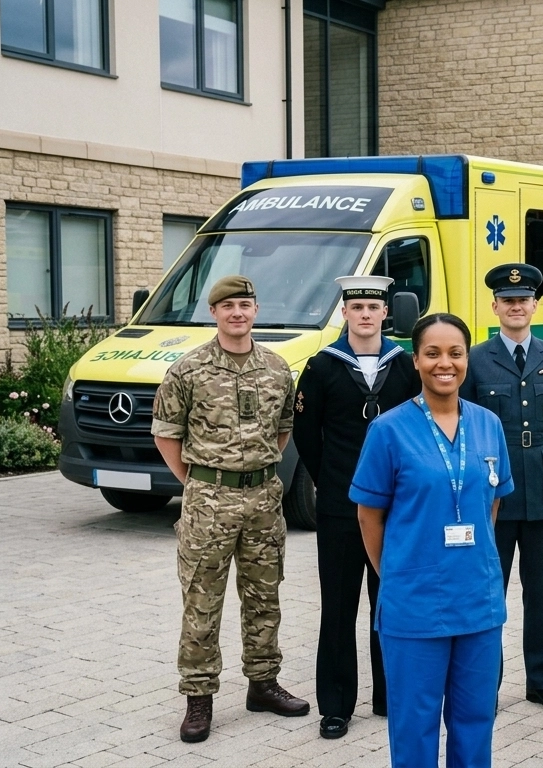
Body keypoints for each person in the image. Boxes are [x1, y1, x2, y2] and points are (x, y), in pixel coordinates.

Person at [350, 313, 514, 767]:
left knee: (475, 719)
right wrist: (398, 573)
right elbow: (368, 516)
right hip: (414, 606)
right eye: (433, 353)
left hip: (478, 601)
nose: (446, 363)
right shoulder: (388, 430)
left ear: (467, 359)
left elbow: (492, 504)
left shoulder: (488, 425)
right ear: (416, 361)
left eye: (456, 353)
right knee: (414, 724)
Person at [151, 274, 310, 743]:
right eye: (228, 306)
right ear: (214, 313)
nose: (237, 313)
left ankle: (263, 684)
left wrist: (254, 471)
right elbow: (166, 434)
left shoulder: (277, 368)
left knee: (264, 596)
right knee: (202, 600)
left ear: (255, 310)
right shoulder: (188, 369)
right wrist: (199, 482)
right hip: (208, 501)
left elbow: (283, 429)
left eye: (244, 305)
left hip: (263, 498)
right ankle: (199, 697)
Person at [293, 275, 420, 739]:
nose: (366, 314)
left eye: (373, 307)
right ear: (344, 312)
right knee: (338, 606)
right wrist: (332, 480)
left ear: (386, 313)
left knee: (391, 604)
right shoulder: (322, 366)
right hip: (342, 508)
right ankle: (336, 705)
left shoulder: (405, 365)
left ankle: (390, 696)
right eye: (357, 307)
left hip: (396, 508)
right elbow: (307, 434)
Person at [460, 263, 543, 714]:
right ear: (495, 307)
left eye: (523, 300)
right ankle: (487, 682)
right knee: (490, 593)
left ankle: (542, 682)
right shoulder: (476, 360)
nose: (516, 307)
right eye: (508, 301)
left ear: (535, 306)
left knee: (541, 594)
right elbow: (464, 426)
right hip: (494, 494)